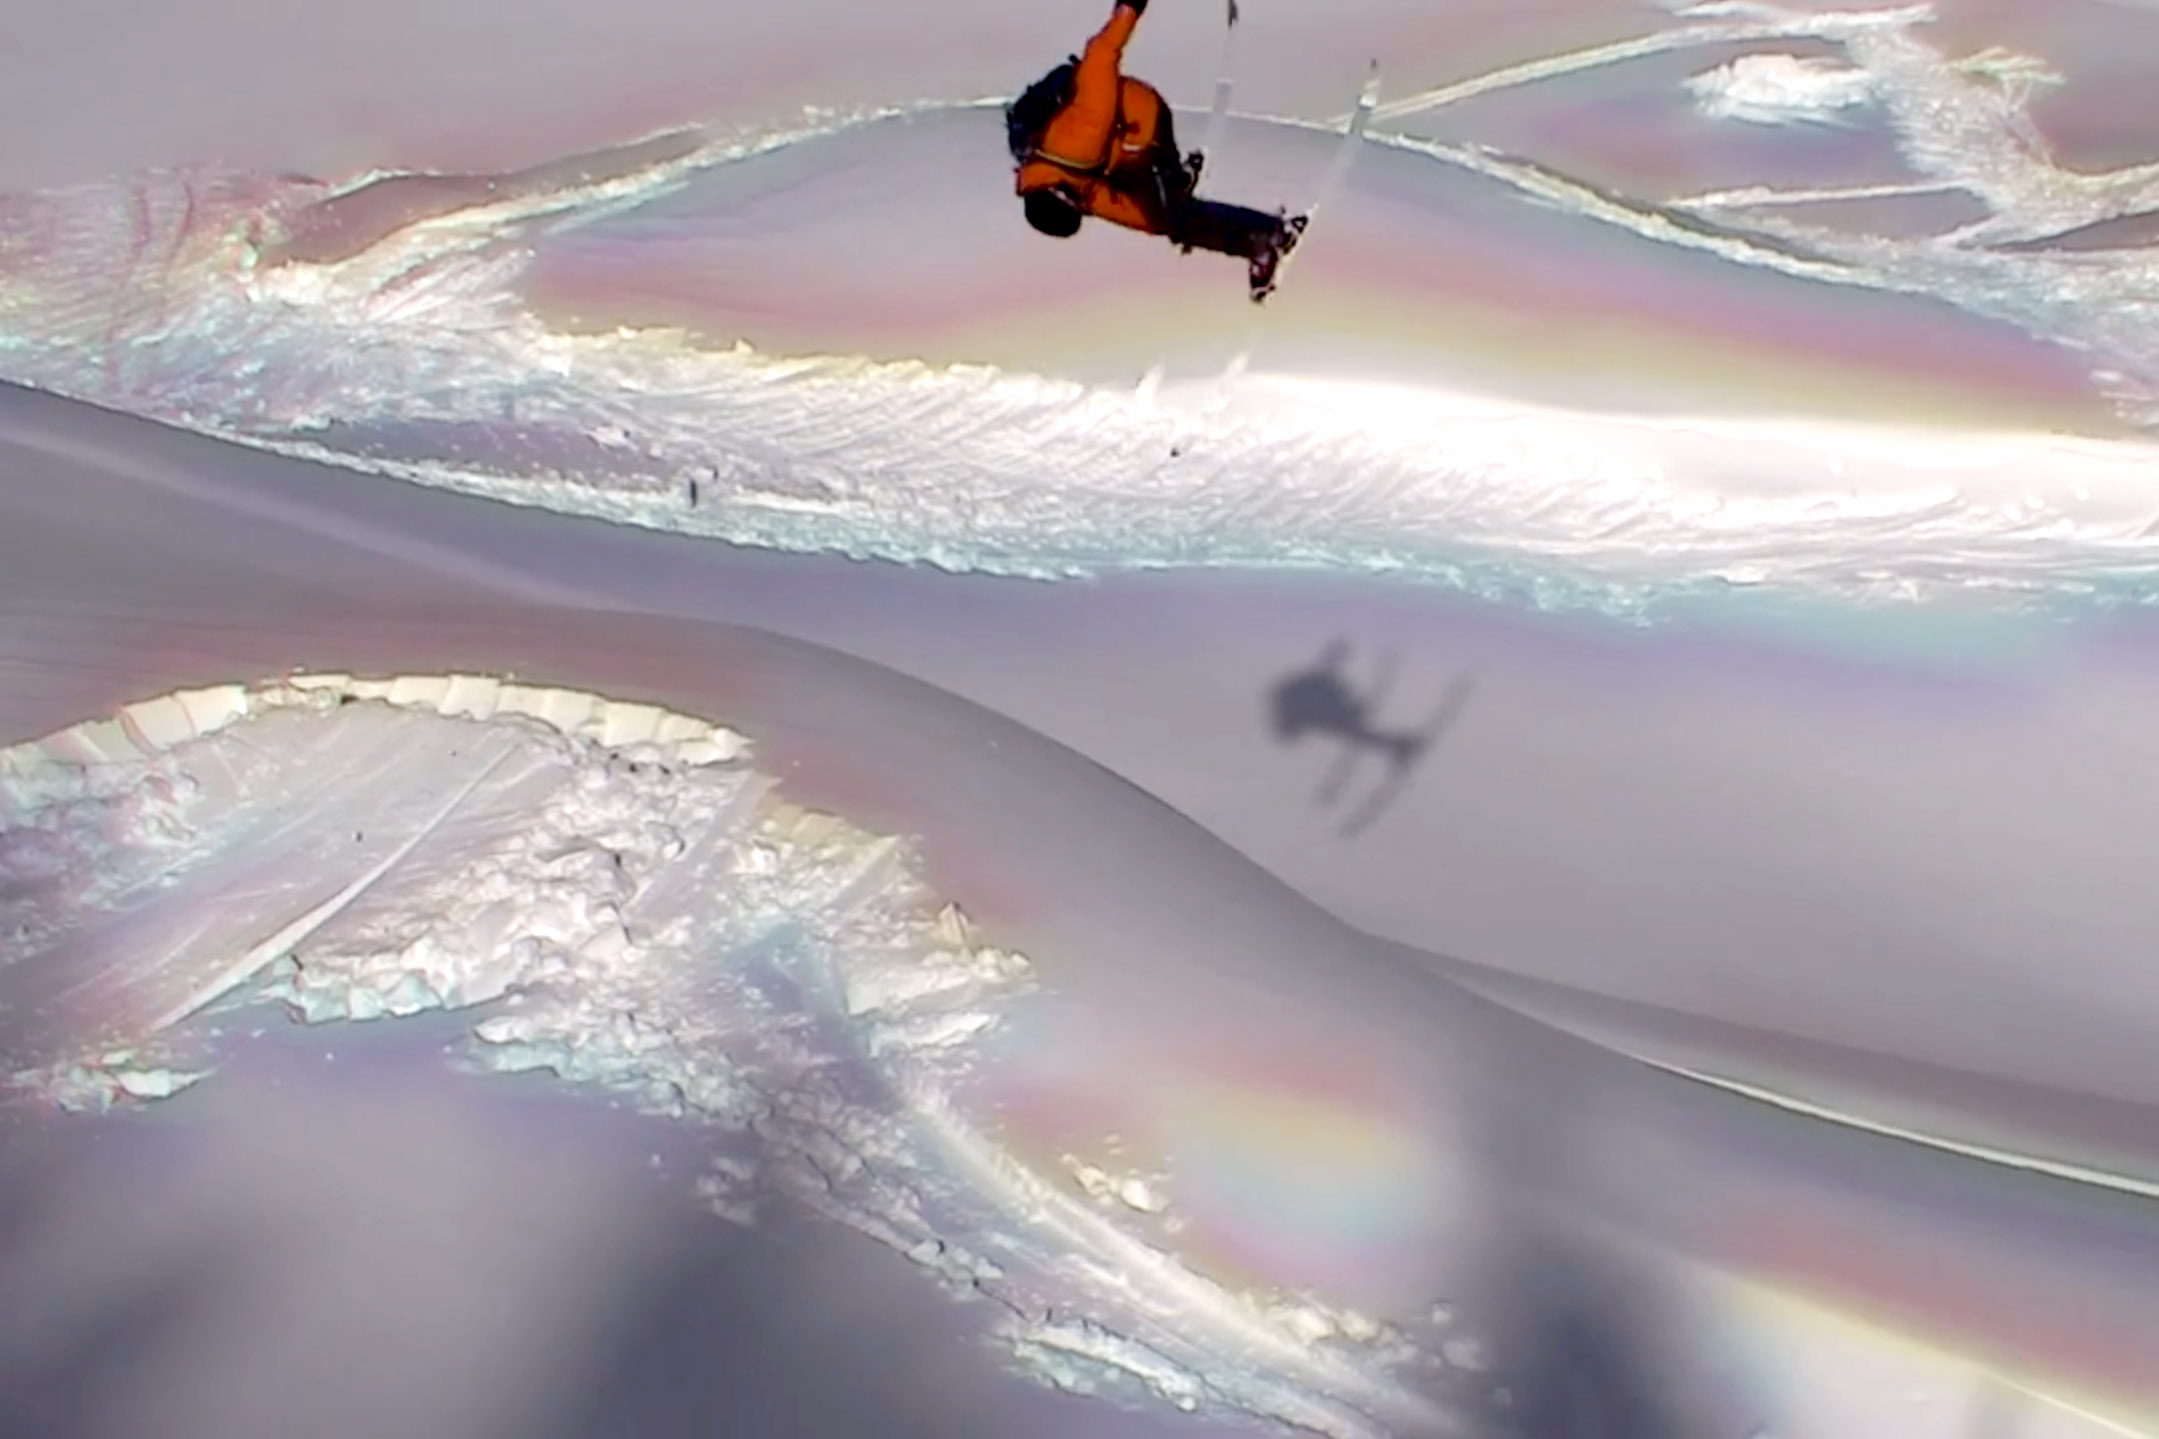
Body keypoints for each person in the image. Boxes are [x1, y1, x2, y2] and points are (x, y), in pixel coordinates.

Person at [1007, 0, 1306, 301]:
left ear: (1060, 193)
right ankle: (1173, 181)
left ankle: (1266, 236)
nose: (1082, 208)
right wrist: (1161, 220)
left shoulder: (1080, 137)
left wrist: (1129, 8)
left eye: (1077, 206)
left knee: (1177, 216)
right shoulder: (1058, 179)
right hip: (1114, 154)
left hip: (1143, 125)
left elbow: (1101, 53)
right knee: (1164, 216)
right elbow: (1129, 214)